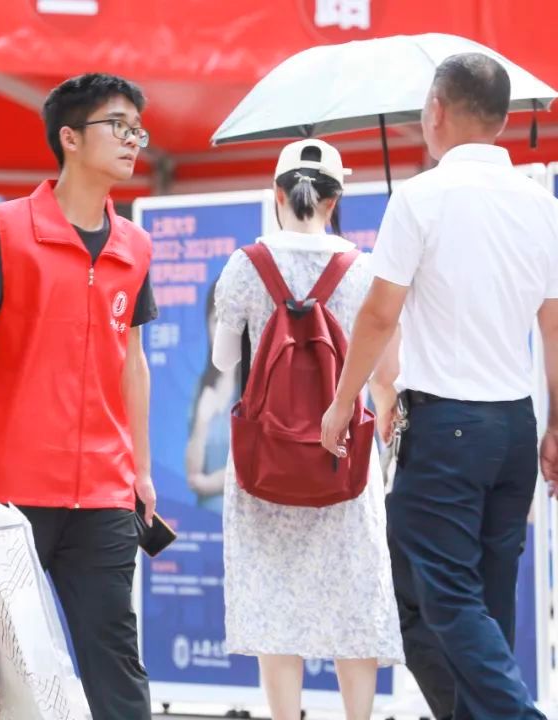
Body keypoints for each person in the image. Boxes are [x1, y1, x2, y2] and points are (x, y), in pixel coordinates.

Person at [0, 72, 158, 719]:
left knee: (114, 655)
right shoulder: (10, 228)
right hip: (4, 488)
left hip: (102, 491)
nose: (132, 141)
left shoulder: (134, 247)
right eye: (118, 126)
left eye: (137, 129)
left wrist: (142, 470)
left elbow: (132, 362)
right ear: (70, 138)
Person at [321, 53, 558, 720]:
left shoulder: (420, 198)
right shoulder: (543, 206)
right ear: (503, 119)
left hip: (446, 426)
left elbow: (378, 315)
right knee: (489, 600)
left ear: (436, 112)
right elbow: (554, 325)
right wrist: (555, 425)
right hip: (514, 426)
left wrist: (341, 403)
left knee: (439, 597)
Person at [215, 139, 403, 720]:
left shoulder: (246, 265)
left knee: (275, 602)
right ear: (334, 199)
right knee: (354, 597)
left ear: (278, 194)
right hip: (343, 458)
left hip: (265, 463)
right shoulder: (363, 269)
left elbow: (224, 360)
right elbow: (386, 371)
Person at [185, 281, 234, 512]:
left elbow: (262, 464)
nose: (222, 330)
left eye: (229, 321)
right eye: (216, 320)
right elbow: (193, 473)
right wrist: (201, 422)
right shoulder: (202, 387)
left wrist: (211, 483)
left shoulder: (256, 385)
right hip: (204, 516)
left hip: (242, 515)